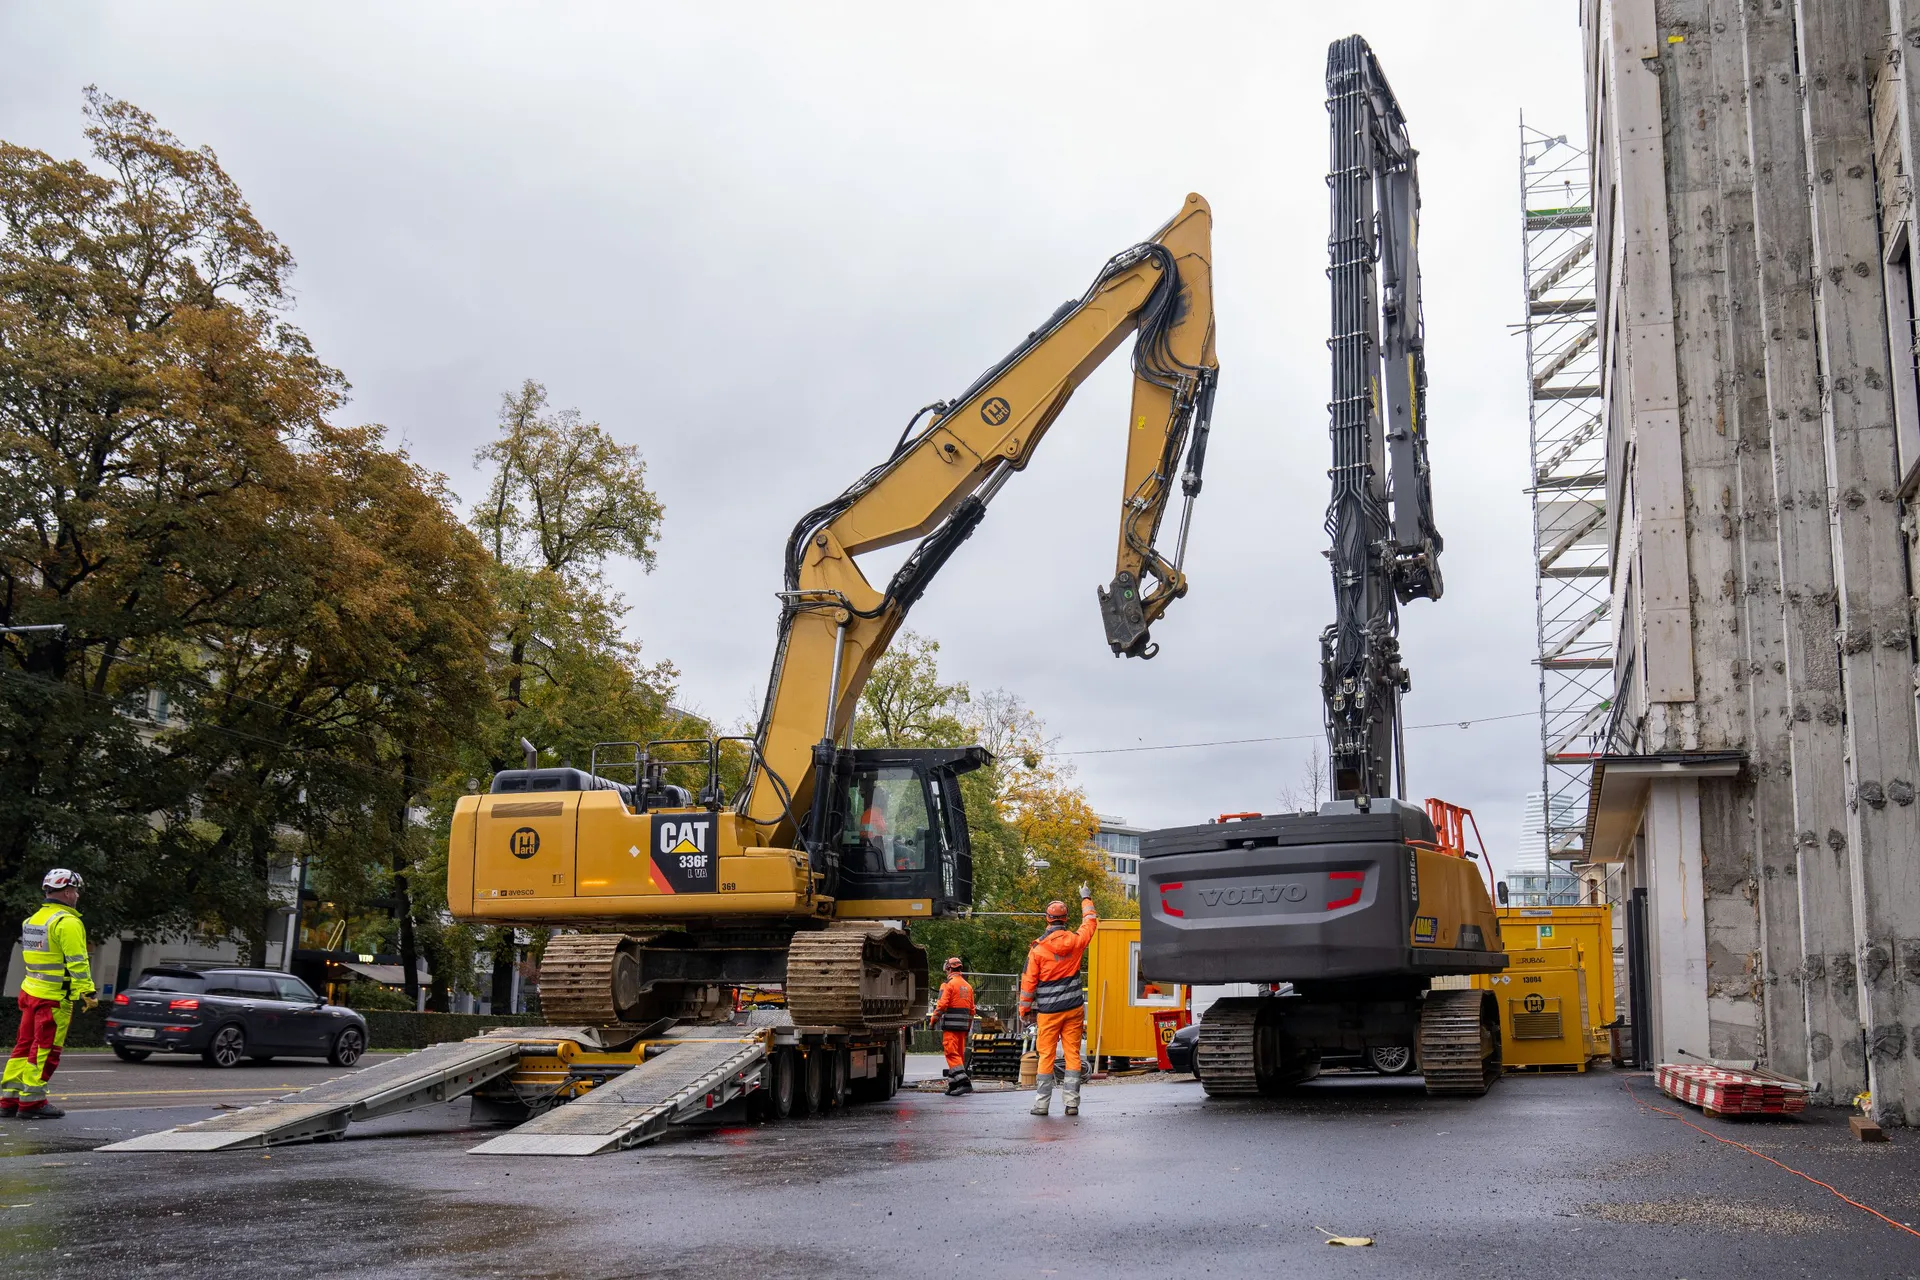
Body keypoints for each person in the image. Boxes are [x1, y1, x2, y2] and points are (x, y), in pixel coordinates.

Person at [3, 869, 95, 1119]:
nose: (77, 895)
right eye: (75, 890)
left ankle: (9, 1099)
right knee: (46, 1049)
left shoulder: (32, 921)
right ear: (67, 892)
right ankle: (32, 1102)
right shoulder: (67, 922)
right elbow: (77, 962)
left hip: (30, 992)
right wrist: (87, 991)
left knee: (23, 1046)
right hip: (54, 997)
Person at [1019, 884, 1097, 1116]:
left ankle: (1042, 1104)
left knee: (1046, 1055)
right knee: (1072, 1054)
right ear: (1065, 919)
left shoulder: (1038, 949)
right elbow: (1090, 922)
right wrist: (1085, 897)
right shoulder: (1076, 941)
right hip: (1073, 1009)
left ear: (1047, 919)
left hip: (1049, 1012)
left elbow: (1028, 982)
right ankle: (1072, 1103)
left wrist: (1024, 1010)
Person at [929, 956, 975, 1096]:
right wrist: (967, 1028)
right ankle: (953, 1083)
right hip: (963, 1028)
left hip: (950, 1027)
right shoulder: (968, 986)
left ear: (949, 969)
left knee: (951, 1053)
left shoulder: (947, 985)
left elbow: (942, 1005)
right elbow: (972, 1010)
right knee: (958, 1055)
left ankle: (964, 1083)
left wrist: (933, 1021)